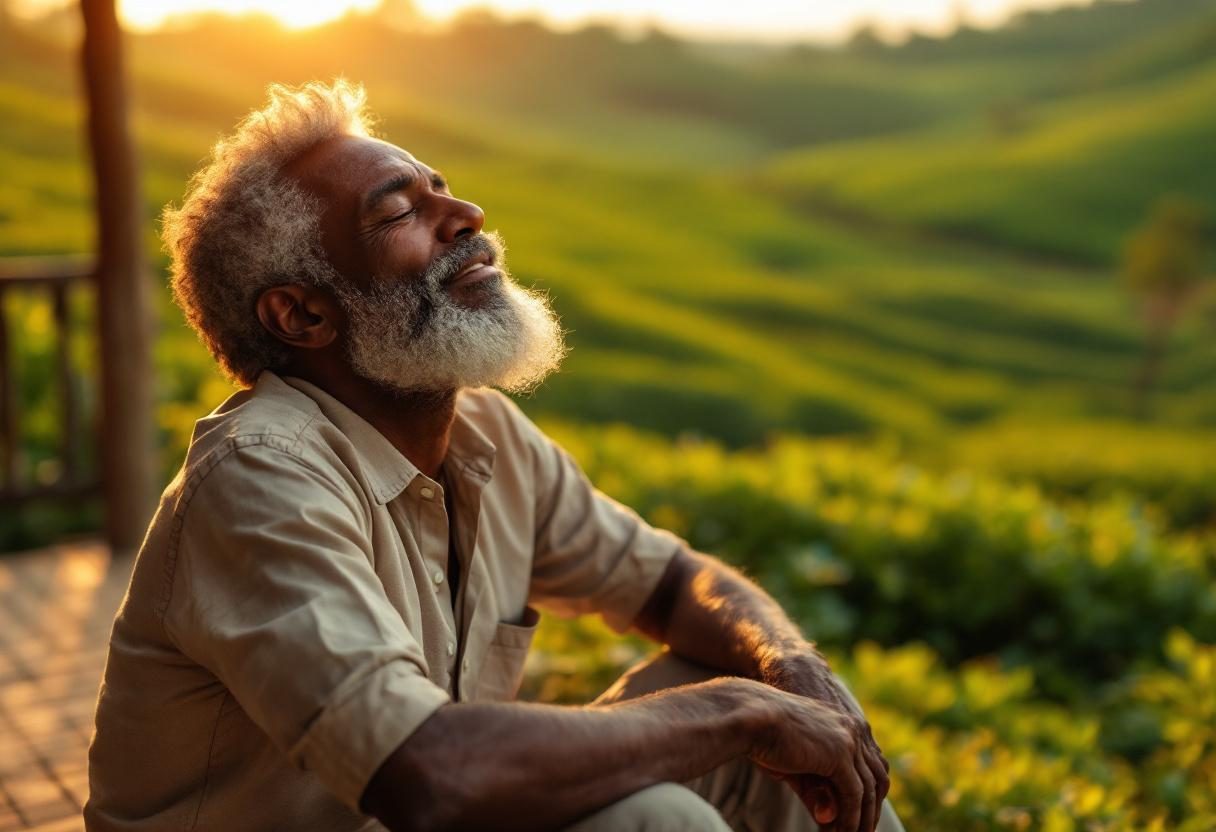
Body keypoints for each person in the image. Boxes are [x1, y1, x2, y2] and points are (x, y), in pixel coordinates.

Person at [85, 80, 905, 832]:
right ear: (302, 315)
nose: (466, 213)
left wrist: (789, 667)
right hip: (415, 802)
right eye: (396, 212)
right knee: (657, 814)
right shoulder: (260, 477)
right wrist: (739, 712)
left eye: (442, 187)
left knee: (766, 695)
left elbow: (672, 582)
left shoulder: (486, 436)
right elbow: (430, 773)